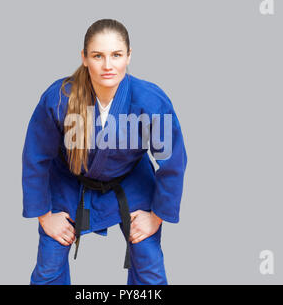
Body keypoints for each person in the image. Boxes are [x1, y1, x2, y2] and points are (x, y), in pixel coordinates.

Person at [22, 19, 187, 285]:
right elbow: (35, 157)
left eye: (116, 55)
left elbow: (173, 164)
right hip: (70, 181)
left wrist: (156, 215)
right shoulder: (60, 97)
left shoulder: (150, 101)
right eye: (98, 55)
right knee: (48, 268)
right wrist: (45, 216)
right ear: (84, 58)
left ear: (129, 56)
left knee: (150, 266)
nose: (108, 65)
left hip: (130, 180)